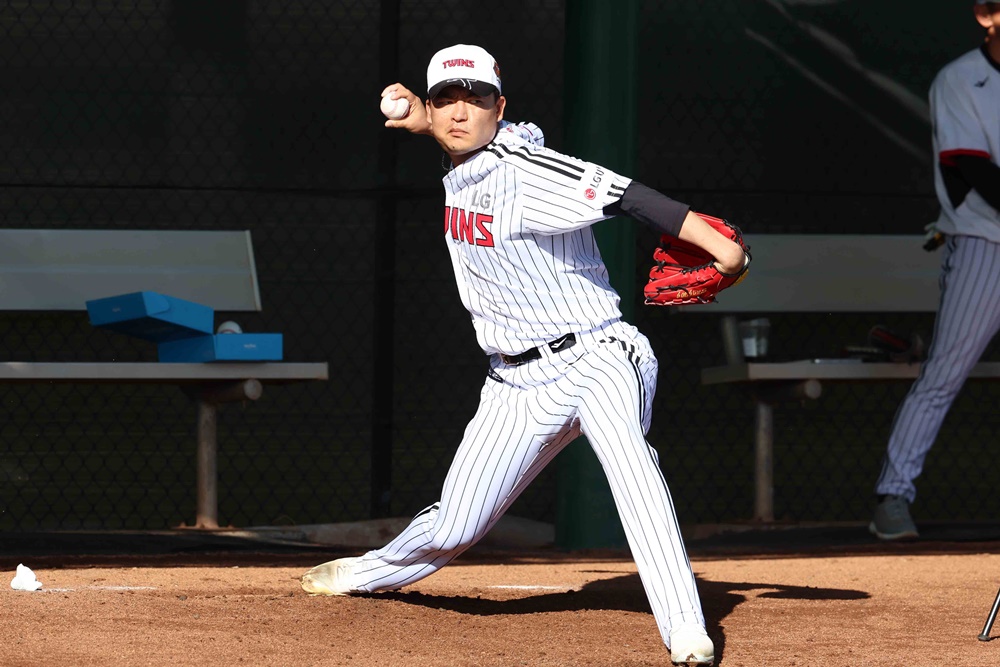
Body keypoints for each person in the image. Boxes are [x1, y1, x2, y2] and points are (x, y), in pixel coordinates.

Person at [301, 43, 748, 666]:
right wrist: (416, 116)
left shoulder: (528, 168)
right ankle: (371, 572)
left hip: (597, 353)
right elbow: (454, 134)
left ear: (500, 106)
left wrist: (725, 251)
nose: (460, 112)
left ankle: (686, 631)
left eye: (476, 99)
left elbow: (631, 197)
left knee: (627, 459)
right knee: (458, 522)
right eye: (446, 100)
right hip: (514, 381)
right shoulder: (462, 151)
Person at [870, 1, 1000, 541]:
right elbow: (972, 171)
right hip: (982, 242)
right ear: (987, 14)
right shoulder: (960, 79)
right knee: (944, 373)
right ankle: (892, 498)